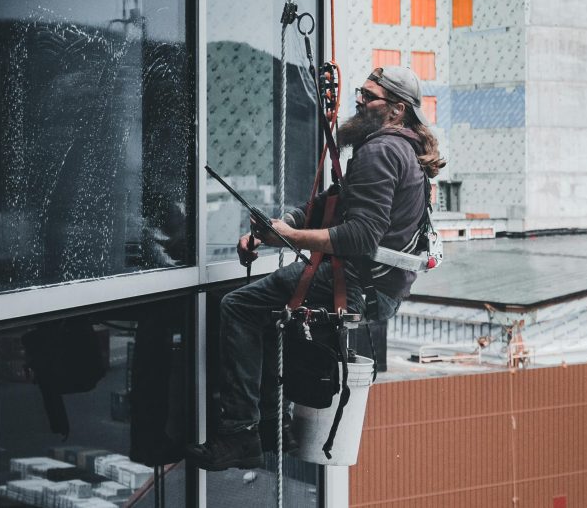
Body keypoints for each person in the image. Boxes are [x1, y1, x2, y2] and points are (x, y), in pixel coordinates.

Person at [186, 66, 446, 470]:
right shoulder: (398, 149)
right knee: (267, 311)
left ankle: (239, 434)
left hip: (357, 282)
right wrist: (273, 228)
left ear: (396, 110)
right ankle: (274, 425)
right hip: (375, 285)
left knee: (238, 307)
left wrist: (284, 237)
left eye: (369, 95)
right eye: (360, 91)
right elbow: (332, 203)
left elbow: (359, 236)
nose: (358, 99)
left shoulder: (381, 152)